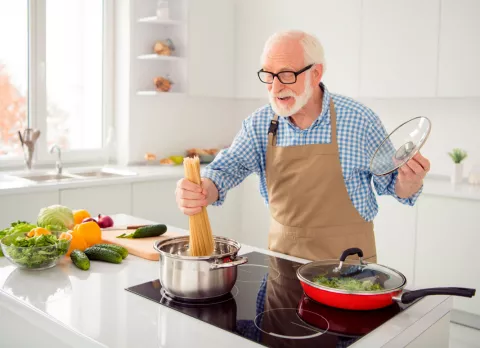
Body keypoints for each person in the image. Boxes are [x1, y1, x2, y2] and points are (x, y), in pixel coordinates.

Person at [175, 30, 430, 262]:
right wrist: (202, 191)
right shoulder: (260, 123)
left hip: (350, 269)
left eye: (286, 74)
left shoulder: (359, 120)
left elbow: (394, 185)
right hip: (283, 265)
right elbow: (226, 170)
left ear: (316, 73)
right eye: (268, 75)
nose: (275, 87)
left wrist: (410, 181)